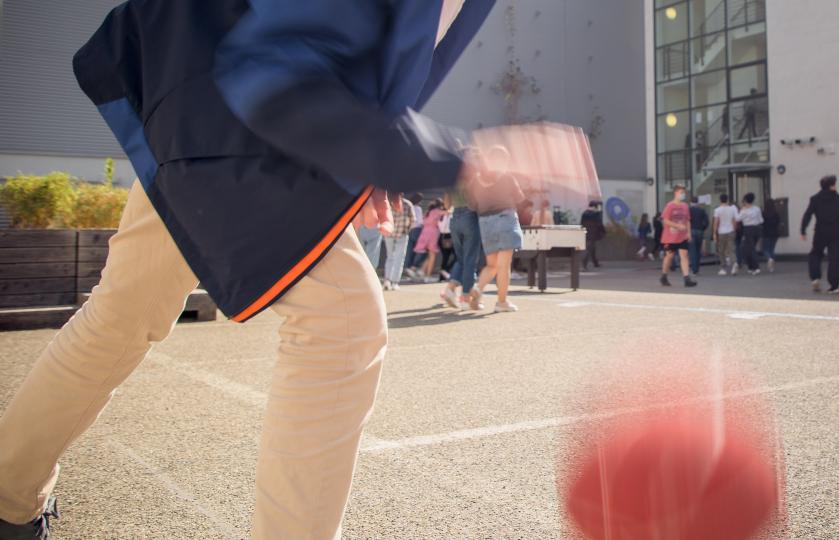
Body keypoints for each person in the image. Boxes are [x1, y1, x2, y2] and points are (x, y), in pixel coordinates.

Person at [0, 2, 508, 538]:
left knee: (124, 309)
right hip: (237, 95)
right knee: (341, 319)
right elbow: (273, 62)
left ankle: (7, 496)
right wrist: (448, 158)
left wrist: (372, 156)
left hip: (204, 87)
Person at [473, 165, 526, 313]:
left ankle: (478, 289)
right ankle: (501, 302)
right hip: (504, 218)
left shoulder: (476, 179)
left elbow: (472, 204)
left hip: (484, 221)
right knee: (504, 265)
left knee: (492, 265)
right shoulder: (506, 176)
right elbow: (520, 198)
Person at [801, 175, 839, 294]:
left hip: (820, 231)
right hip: (836, 232)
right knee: (834, 258)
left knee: (815, 254)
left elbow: (808, 214)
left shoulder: (815, 199)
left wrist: (803, 230)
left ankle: (815, 277)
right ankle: (834, 286)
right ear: (832, 186)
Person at [441, 187, 483, 311]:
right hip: (470, 216)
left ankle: (450, 288)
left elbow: (447, 204)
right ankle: (466, 297)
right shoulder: (471, 177)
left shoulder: (450, 180)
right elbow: (475, 202)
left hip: (455, 218)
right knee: (470, 259)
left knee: (461, 259)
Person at [659, 185, 697, 287]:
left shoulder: (685, 206)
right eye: (681, 192)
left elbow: (687, 220)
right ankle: (664, 276)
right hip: (670, 237)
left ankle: (686, 279)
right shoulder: (669, 206)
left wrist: (689, 233)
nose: (683, 194)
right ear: (675, 193)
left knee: (684, 255)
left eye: (684, 193)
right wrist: (677, 226)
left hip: (682, 236)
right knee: (669, 257)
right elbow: (665, 220)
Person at [382, 194, 416, 291]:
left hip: (391, 233)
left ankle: (387, 281)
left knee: (390, 258)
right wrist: (408, 229)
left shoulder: (388, 202)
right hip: (401, 233)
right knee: (398, 259)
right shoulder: (407, 204)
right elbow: (413, 220)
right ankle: (393, 282)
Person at [412, 198, 445, 281]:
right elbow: (448, 213)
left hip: (424, 233)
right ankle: (428, 276)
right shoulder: (438, 211)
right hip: (433, 233)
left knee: (430, 255)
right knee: (432, 255)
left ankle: (422, 270)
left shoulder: (428, 212)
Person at [736, 193, 764, 276]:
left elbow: (737, 219)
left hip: (748, 229)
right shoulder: (757, 209)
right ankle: (751, 267)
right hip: (757, 229)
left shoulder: (744, 210)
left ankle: (756, 267)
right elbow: (761, 220)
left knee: (749, 249)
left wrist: (741, 210)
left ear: (745, 200)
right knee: (750, 248)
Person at [712, 194, 739, 276]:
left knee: (721, 250)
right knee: (731, 249)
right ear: (727, 200)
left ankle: (723, 268)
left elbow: (716, 222)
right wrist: (734, 229)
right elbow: (735, 220)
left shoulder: (717, 210)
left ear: (720, 200)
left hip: (721, 232)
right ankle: (734, 263)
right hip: (731, 230)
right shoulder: (732, 209)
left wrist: (714, 233)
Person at [580, 201, 606, 270]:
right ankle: (584, 266)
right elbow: (599, 224)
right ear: (595, 207)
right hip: (592, 234)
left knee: (592, 248)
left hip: (585, 233)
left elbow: (581, 223)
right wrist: (603, 231)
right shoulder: (596, 214)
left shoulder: (584, 213)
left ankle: (595, 263)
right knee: (588, 249)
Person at [688, 197, 710, 276]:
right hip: (700, 232)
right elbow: (707, 222)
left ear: (691, 202)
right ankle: (697, 269)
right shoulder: (702, 210)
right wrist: (702, 228)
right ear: (698, 202)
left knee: (692, 251)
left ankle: (694, 270)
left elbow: (686, 221)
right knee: (697, 251)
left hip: (691, 231)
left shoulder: (689, 210)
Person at [404, 193, 425, 273]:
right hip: (417, 230)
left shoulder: (408, 206)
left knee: (409, 249)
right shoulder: (418, 208)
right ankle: (413, 266)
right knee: (420, 249)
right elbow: (420, 221)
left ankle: (407, 266)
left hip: (409, 229)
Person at [761, 199, 781, 272]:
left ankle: (769, 259)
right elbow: (778, 223)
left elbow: (761, 223)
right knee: (772, 249)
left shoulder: (763, 214)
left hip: (766, 233)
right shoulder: (776, 213)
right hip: (775, 233)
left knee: (765, 249)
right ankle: (772, 267)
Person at [438, 206, 456, 281]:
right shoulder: (447, 216)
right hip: (448, 236)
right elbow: (446, 227)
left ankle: (442, 276)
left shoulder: (441, 216)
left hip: (442, 237)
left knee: (446, 257)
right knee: (456, 256)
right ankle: (445, 271)